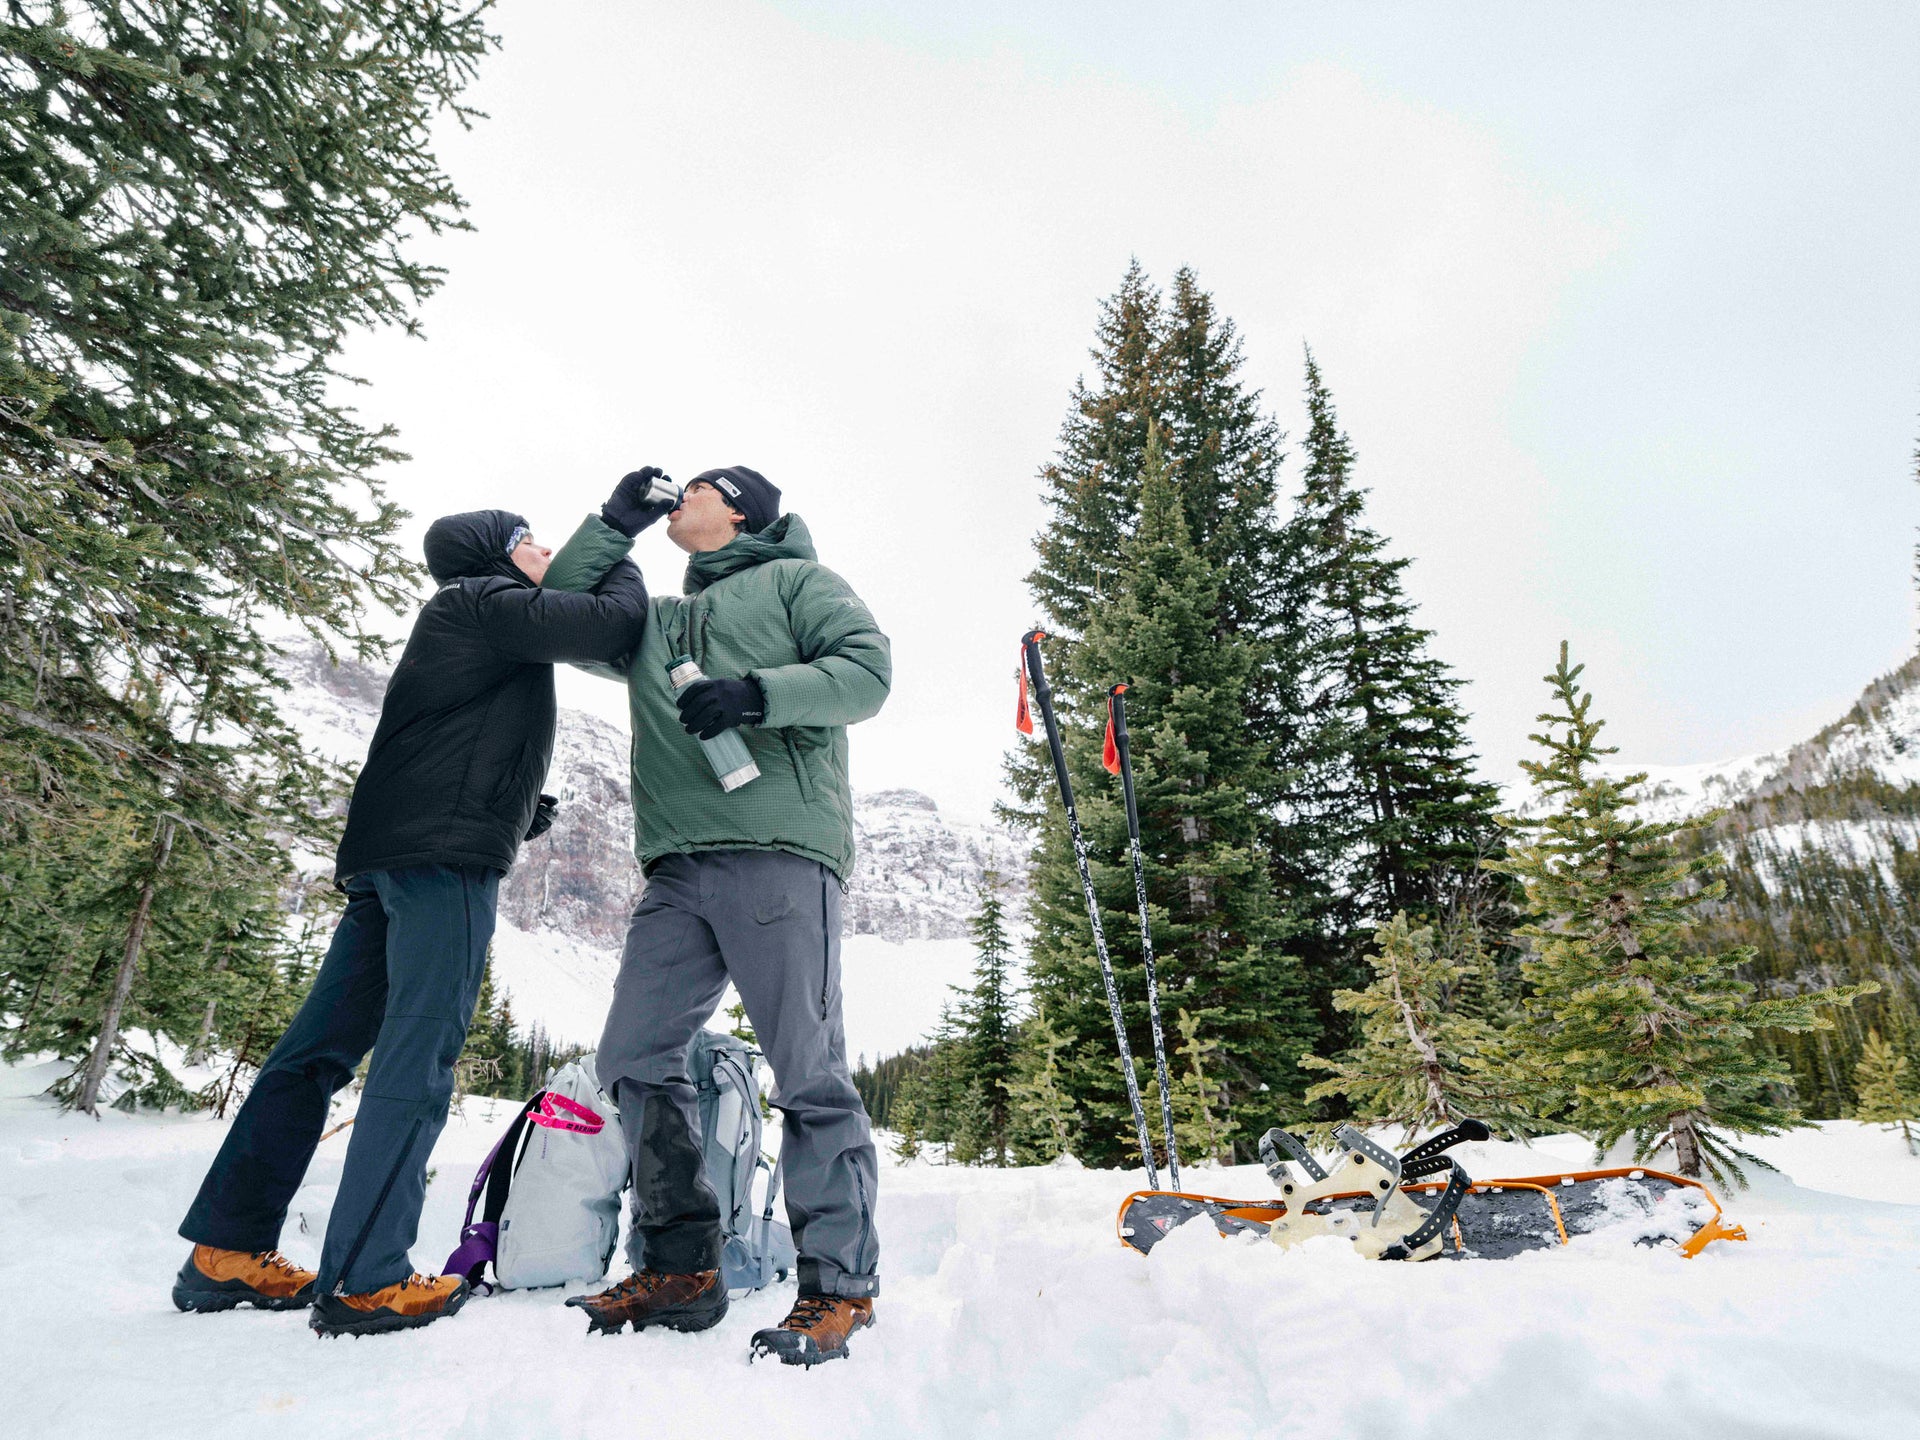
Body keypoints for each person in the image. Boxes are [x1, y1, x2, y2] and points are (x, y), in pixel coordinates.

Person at [173, 509, 648, 1337]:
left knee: (313, 1055)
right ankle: (365, 1279)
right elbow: (613, 620)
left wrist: (509, 811)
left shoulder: (469, 617)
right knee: (417, 1057)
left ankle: (226, 1251)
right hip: (441, 867)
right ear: (499, 555)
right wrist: (616, 533)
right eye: (530, 538)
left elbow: (446, 739)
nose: (545, 551)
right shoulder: (485, 601)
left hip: (394, 858)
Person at [543, 465, 889, 1367]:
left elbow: (866, 674)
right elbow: (560, 619)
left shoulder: (798, 582)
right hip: (675, 865)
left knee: (807, 1069)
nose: (677, 498)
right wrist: (611, 523)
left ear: (738, 509)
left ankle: (838, 1288)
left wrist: (757, 692)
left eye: (693, 487)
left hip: (778, 848)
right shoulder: (656, 620)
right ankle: (682, 1267)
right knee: (632, 1056)